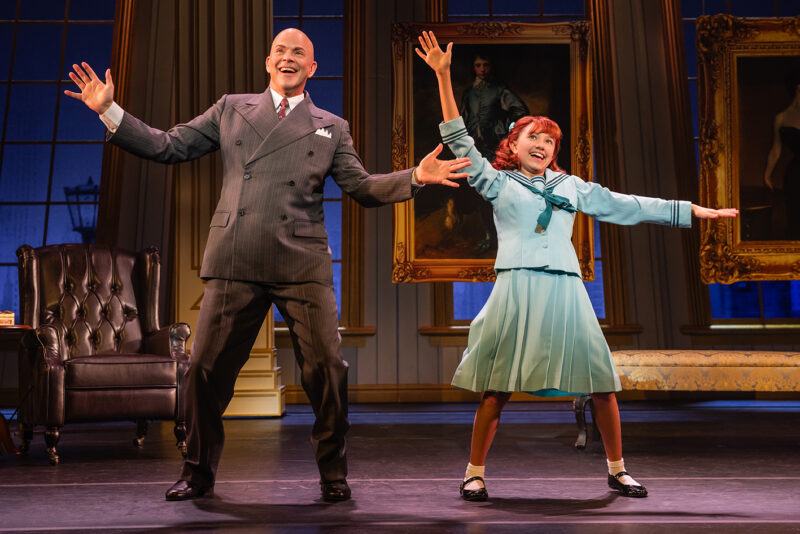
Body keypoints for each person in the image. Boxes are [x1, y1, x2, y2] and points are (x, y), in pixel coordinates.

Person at [65, 28, 471, 503]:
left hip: (302, 261)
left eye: (299, 52)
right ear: (267, 62)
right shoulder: (232, 108)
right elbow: (167, 145)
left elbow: (360, 187)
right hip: (237, 255)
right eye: (281, 50)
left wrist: (416, 177)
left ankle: (333, 473)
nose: (289, 57)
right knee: (204, 370)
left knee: (328, 369)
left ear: (312, 68)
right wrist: (109, 111)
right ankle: (197, 472)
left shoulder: (332, 126)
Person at [416, 31, 738, 501]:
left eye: (550, 140)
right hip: (518, 287)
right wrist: (445, 77)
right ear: (514, 142)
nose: (543, 144)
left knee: (601, 383)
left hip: (566, 289)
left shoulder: (571, 187)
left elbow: (628, 204)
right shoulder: (496, 182)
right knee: (497, 387)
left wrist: (689, 210)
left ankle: (618, 469)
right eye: (534, 137)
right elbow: (459, 139)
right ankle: (473, 472)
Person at [460, 53, 529, 160]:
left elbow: (521, 111)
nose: (482, 69)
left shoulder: (500, 89)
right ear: (473, 68)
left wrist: (504, 128)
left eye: (486, 65)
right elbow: (464, 117)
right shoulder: (469, 93)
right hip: (473, 142)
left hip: (494, 142)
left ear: (491, 67)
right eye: (478, 65)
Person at [763, 69, 800, 239]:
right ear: (798, 88)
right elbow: (776, 149)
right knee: (794, 215)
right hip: (795, 174)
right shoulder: (782, 118)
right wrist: (768, 174)